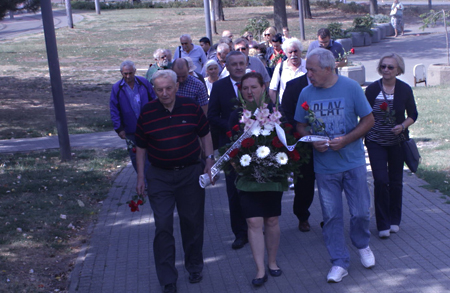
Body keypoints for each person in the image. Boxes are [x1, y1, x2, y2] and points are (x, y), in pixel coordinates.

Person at [294, 48, 376, 283]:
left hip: (353, 162)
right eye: (307, 69)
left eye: (312, 69)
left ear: (328, 69)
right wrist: (313, 140)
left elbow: (369, 119)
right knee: (331, 216)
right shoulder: (305, 93)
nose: (307, 73)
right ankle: (339, 262)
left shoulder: (350, 88)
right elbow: (300, 125)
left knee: (360, 211)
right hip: (325, 167)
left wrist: (348, 139)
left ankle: (362, 244)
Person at [135, 69, 214, 293]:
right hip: (160, 176)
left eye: (169, 88)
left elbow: (205, 134)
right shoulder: (147, 112)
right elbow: (140, 147)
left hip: (190, 173)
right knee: (162, 226)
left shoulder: (191, 107)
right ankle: (168, 278)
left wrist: (209, 161)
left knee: (192, 222)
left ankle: (194, 266)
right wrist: (141, 176)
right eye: (159, 90)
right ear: (154, 90)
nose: (165, 93)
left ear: (176, 87)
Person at [228, 72, 283, 287]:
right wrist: (236, 163)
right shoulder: (236, 116)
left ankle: (272, 261)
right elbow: (229, 146)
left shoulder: (274, 113)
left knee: (271, 220)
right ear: (240, 91)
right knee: (253, 221)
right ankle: (260, 269)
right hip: (247, 177)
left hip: (272, 175)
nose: (250, 91)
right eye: (245, 88)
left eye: (254, 87)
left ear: (263, 88)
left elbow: (285, 141)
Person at [364, 53, 418, 238]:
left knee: (395, 182)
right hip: (375, 141)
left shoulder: (404, 89)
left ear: (398, 70)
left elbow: (413, 114)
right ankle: (382, 224)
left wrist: (402, 126)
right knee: (380, 181)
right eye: (383, 66)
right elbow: (365, 115)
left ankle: (395, 220)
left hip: (397, 142)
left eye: (390, 67)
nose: (386, 70)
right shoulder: (372, 90)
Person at [208, 51, 249, 250]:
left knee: (256, 185)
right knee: (234, 189)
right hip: (230, 146)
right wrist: (232, 127)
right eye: (234, 64)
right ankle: (240, 233)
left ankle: (256, 225)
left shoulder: (254, 82)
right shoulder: (219, 87)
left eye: (242, 63)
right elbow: (212, 116)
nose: (239, 67)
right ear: (227, 66)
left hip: (256, 145)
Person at [281, 74, 315, 233]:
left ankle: (330, 218)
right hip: (302, 142)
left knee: (330, 181)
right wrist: (302, 133)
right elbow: (286, 113)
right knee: (304, 183)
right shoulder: (294, 85)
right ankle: (302, 216)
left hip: (327, 142)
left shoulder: (331, 82)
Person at [109, 60, 156, 172]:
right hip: (130, 130)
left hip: (147, 127)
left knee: (150, 154)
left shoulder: (144, 83)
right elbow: (114, 109)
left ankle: (150, 180)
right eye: (125, 74)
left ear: (135, 71)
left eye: (130, 73)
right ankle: (143, 180)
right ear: (121, 73)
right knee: (135, 156)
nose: (128, 76)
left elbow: (154, 101)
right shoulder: (117, 88)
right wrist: (119, 128)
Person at [269, 38, 306, 104]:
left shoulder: (307, 66)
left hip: (305, 106)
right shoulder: (280, 67)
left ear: (300, 51)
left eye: (295, 51)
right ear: (286, 53)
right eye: (290, 52)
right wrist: (275, 108)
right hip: (285, 108)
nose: (293, 55)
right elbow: (272, 89)